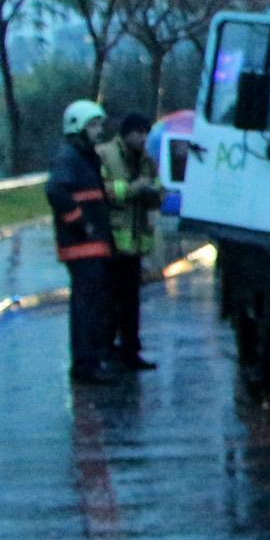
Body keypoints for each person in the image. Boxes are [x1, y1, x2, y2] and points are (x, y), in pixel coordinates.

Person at [49, 99, 118, 385]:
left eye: (99, 123)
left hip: (91, 244)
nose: (99, 130)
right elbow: (55, 190)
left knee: (93, 304)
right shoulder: (70, 158)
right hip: (82, 245)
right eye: (93, 124)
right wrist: (80, 222)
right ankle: (86, 364)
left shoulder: (84, 156)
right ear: (77, 127)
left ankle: (91, 359)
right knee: (86, 306)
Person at [99, 111, 160, 370]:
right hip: (112, 240)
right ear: (127, 133)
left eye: (147, 133)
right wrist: (134, 189)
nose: (144, 138)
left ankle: (130, 351)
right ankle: (107, 349)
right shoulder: (106, 154)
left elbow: (158, 191)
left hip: (135, 242)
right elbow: (103, 191)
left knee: (132, 301)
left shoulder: (147, 159)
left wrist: (154, 192)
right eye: (140, 133)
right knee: (112, 300)